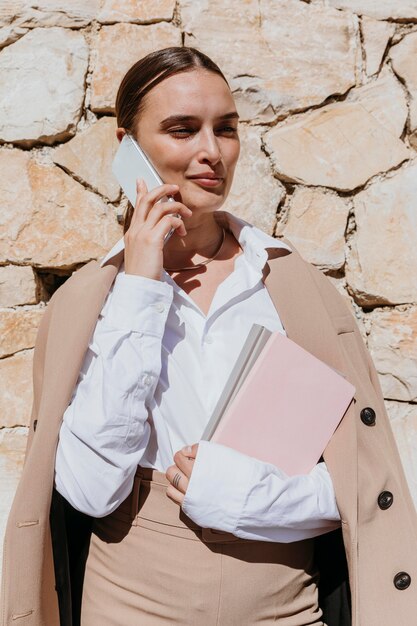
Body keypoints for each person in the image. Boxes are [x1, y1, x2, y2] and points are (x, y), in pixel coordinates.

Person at [2, 46, 417, 626]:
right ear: (126, 146)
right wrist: (141, 290)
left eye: (226, 129)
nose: (212, 152)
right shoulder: (87, 303)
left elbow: (361, 490)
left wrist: (244, 495)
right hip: (127, 609)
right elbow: (91, 491)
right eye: (182, 129)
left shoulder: (296, 290)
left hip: (286, 609)